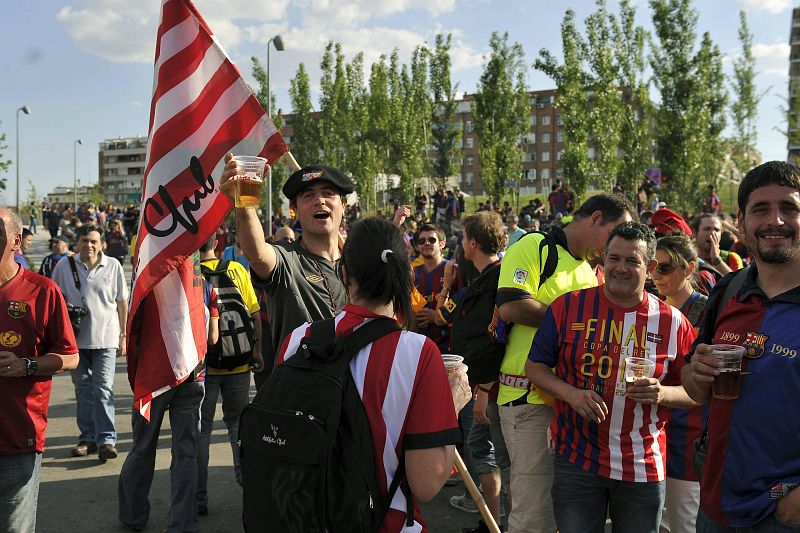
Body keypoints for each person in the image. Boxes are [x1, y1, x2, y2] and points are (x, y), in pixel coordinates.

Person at [276, 217, 470, 531]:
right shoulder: (419, 353)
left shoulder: (298, 339)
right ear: (407, 276)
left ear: (344, 274)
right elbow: (427, 482)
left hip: (304, 518)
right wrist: (452, 405)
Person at [526, 222, 697, 533]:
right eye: (614, 258)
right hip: (577, 458)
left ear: (650, 268)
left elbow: (694, 392)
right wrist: (571, 394)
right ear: (603, 259)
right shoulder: (568, 307)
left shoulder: (674, 322)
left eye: (632, 261)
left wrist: (662, 393)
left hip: (642, 465)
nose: (620, 268)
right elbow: (535, 367)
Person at [496, 193, 636, 533]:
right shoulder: (535, 246)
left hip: (570, 407)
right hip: (529, 401)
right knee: (534, 518)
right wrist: (573, 323)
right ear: (595, 218)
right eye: (615, 233)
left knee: (564, 516)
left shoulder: (591, 271)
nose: (616, 245)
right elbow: (511, 305)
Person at [681, 161, 800, 531]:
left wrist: (792, 508)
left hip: (783, 517)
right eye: (761, 209)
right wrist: (696, 375)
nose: (775, 221)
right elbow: (693, 385)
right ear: (741, 220)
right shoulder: (727, 290)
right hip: (715, 506)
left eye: (789, 208)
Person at [221, 159, 350, 357]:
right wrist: (244, 203)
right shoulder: (286, 258)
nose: (320, 201)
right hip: (299, 376)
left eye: (328, 193)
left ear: (343, 205)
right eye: (308, 196)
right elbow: (257, 255)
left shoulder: (359, 262)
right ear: (295, 210)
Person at [0, 207, 79, 533]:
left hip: (17, 439)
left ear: (16, 240)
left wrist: (26, 365)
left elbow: (70, 357)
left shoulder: (42, 291)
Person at [196, 236, 262, 516]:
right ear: (217, 244)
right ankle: (248, 490)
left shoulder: (191, 274)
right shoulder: (237, 268)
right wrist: (257, 351)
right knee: (237, 425)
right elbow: (254, 314)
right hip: (238, 362)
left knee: (202, 430)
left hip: (203, 366)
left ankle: (199, 497)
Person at [51, 224, 128, 461]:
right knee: (83, 390)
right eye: (85, 241)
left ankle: (107, 440)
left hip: (106, 338)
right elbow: (54, 299)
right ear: (77, 243)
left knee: (103, 388)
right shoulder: (64, 266)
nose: (89, 245)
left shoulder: (113, 265)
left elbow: (122, 302)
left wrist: (124, 334)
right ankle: (87, 438)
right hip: (75, 341)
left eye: (94, 241)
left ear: (102, 244)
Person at [652, 233, 709, 533]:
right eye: (653, 267)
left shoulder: (708, 312)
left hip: (689, 435)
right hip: (652, 436)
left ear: (688, 269)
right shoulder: (653, 312)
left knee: (685, 522)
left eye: (665, 268)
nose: (656, 276)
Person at [412, 223, 454, 352]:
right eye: (422, 241)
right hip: (417, 345)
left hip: (446, 344)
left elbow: (459, 301)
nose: (426, 243)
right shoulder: (412, 273)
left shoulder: (453, 270)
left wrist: (439, 315)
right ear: (417, 246)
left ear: (442, 244)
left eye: (431, 240)